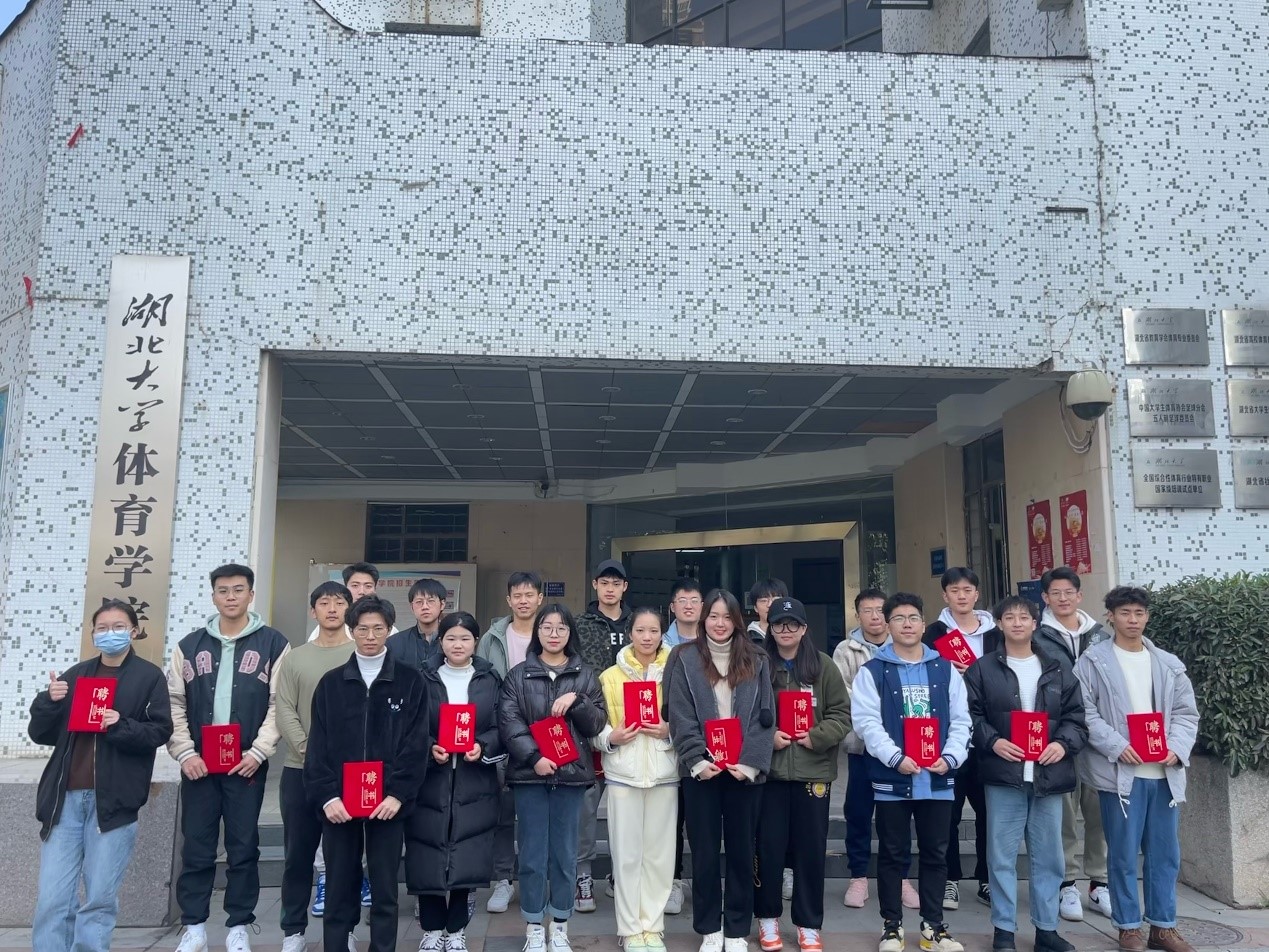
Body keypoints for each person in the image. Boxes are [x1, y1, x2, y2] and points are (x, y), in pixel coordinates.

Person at [29, 598, 174, 952]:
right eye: (103, 628)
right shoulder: (76, 675)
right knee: (52, 898)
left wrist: (119, 724)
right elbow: (41, 733)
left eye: (119, 627)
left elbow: (159, 732)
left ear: (134, 631)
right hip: (64, 801)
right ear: (93, 633)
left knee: (98, 900)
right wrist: (48, 701)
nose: (110, 633)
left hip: (113, 803)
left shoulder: (149, 677)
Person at [169, 564, 290, 952]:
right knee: (197, 846)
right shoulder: (189, 646)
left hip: (246, 764)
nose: (231, 596)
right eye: (223, 590)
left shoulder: (274, 644)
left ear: (251, 595)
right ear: (213, 596)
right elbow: (173, 703)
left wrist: (259, 751)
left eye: (239, 589)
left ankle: (239, 925)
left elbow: (279, 703)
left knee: (243, 846)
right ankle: (194, 927)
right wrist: (185, 752)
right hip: (199, 765)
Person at [1075, 587, 1199, 952]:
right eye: (1125, 612)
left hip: (1164, 774)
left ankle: (1163, 926)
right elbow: (1085, 712)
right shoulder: (1092, 662)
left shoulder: (1168, 664)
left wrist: (1176, 748)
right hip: (1120, 776)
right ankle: (1128, 927)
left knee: (1165, 855)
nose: (1132, 620)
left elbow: (1185, 713)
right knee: (1123, 854)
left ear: (1147, 617)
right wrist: (1117, 745)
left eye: (1139, 613)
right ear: (1110, 616)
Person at [306, 595, 429, 952]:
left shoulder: (409, 681)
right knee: (339, 885)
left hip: (387, 803)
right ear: (352, 631)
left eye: (378, 628)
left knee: (385, 888)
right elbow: (317, 746)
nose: (370, 636)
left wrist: (398, 794)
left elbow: (416, 745)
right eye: (362, 629)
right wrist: (327, 796)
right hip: (340, 803)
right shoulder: (331, 683)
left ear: (389, 630)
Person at [964, 596, 1087, 952]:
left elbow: (1077, 718)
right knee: (1001, 856)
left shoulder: (1058, 668)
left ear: (1035, 624)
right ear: (999, 624)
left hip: (1048, 775)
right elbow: (970, 715)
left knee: (1049, 857)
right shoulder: (982, 669)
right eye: (1009, 617)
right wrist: (994, 742)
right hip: (1004, 774)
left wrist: (1062, 745)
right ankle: (1004, 929)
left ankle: (1046, 930)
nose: (1017, 623)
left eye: (1024, 617)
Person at [852, 592, 970, 952]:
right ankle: (892, 927)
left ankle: (934, 928)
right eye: (899, 618)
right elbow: (866, 722)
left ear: (923, 623)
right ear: (888, 626)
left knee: (936, 853)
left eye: (913, 617)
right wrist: (894, 757)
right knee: (892, 853)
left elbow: (961, 720)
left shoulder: (944, 669)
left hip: (937, 777)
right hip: (893, 778)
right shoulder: (873, 671)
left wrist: (951, 757)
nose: (907, 624)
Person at [666, 588, 774, 952]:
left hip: (743, 773)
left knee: (742, 852)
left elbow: (765, 716)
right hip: (702, 773)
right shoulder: (683, 657)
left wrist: (749, 764)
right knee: (705, 853)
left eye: (727, 617)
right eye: (713, 616)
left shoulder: (757, 658)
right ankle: (710, 928)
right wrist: (697, 760)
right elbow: (678, 712)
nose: (720, 623)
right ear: (703, 619)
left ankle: (737, 929)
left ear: (737, 620)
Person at [499, 602, 608, 952]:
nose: (554, 634)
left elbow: (597, 724)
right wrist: (534, 757)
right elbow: (509, 722)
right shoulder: (518, 675)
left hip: (571, 777)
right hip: (530, 776)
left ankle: (560, 924)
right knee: (532, 854)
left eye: (561, 627)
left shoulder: (584, 675)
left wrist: (577, 701)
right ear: (538, 632)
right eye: (547, 627)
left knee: (564, 853)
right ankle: (534, 925)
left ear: (570, 633)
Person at [755, 598, 850, 952]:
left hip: (814, 773)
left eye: (793, 623)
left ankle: (808, 924)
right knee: (768, 849)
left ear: (804, 628)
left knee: (810, 851)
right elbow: (743, 713)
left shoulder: (823, 666)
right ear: (770, 628)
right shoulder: (758, 665)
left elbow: (842, 714)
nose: (785, 630)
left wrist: (817, 736)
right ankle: (767, 918)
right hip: (770, 773)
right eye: (779, 624)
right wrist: (767, 738)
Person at [408, 612, 505, 952]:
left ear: (475, 642)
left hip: (473, 778)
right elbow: (410, 725)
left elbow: (501, 726)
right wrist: (428, 746)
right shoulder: (423, 677)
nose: (458, 645)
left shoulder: (489, 679)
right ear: (441, 641)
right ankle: (432, 928)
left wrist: (484, 746)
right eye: (451, 638)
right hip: (430, 779)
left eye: (465, 638)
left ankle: (456, 929)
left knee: (468, 852)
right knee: (427, 850)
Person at [275, 581, 355, 951]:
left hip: (348, 773)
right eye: (324, 603)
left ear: (350, 609)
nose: (332, 609)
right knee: (298, 856)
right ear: (313, 611)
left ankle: (345, 930)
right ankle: (293, 932)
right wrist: (311, 752)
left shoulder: (361, 653)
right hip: (300, 770)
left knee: (344, 859)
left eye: (339, 602)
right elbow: (284, 708)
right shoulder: (295, 658)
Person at [595, 607, 678, 952]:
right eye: (640, 630)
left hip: (664, 773)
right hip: (623, 776)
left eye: (654, 631)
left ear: (662, 634)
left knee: (660, 858)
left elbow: (689, 719)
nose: (647, 637)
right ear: (629, 633)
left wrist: (669, 731)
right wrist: (610, 738)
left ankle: (652, 927)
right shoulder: (609, 677)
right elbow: (595, 726)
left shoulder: (676, 673)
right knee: (626, 857)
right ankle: (630, 929)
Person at [833, 588, 918, 910]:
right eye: (866, 611)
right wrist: (878, 712)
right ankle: (858, 877)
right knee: (858, 813)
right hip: (862, 747)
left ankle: (901, 878)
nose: (874, 617)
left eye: (880, 610)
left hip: (901, 750)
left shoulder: (904, 647)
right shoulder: (846, 650)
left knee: (897, 816)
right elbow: (843, 693)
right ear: (857, 615)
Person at [922, 567, 1001, 911]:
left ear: (977, 594)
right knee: (948, 814)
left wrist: (980, 673)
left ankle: (986, 878)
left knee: (988, 813)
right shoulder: (933, 633)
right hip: (947, 736)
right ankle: (949, 879)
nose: (962, 596)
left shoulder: (996, 634)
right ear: (945, 596)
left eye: (968, 590)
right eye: (955, 590)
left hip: (989, 737)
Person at [1037, 567, 1112, 921]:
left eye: (1069, 592)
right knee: (1064, 812)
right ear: (1045, 598)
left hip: (1098, 737)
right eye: (1056, 593)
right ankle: (1066, 882)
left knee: (1098, 810)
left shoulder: (1101, 636)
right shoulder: (1037, 636)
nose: (1063, 598)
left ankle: (1099, 882)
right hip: (1058, 736)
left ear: (1079, 596)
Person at [477, 571, 546, 914]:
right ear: (508, 600)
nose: (523, 600)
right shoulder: (492, 638)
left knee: (536, 814)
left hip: (543, 733)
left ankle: (536, 880)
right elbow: (481, 681)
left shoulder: (550, 632)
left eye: (529, 594)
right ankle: (503, 879)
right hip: (502, 734)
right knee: (503, 812)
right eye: (517, 595)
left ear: (540, 599)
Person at [573, 559, 633, 912]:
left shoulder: (637, 623)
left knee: (626, 807)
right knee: (586, 806)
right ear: (595, 585)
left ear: (625, 587)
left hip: (632, 728)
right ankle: (582, 874)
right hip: (591, 725)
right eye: (604, 582)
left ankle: (618, 874)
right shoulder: (580, 624)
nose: (610, 588)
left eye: (616, 583)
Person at [660, 576, 703, 915]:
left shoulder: (717, 641)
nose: (689, 606)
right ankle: (673, 880)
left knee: (701, 820)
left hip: (707, 746)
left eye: (694, 600)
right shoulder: (659, 645)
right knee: (671, 820)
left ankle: (703, 880)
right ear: (672, 607)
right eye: (682, 600)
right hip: (666, 745)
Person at [308, 562, 396, 642]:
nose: (361, 592)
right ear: (346, 588)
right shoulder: (326, 628)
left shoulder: (388, 629)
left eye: (368, 586)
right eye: (355, 585)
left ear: (375, 590)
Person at [387, 577, 449, 673]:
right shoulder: (395, 642)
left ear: (442, 604)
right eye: (419, 602)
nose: (425, 607)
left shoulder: (452, 641)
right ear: (412, 607)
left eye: (430, 601)